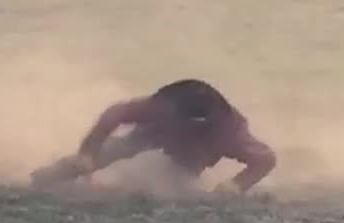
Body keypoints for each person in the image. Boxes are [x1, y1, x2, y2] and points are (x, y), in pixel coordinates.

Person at [29, 78, 277, 195]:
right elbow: (113, 115)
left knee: (176, 182)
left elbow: (265, 159)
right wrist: (88, 151)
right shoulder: (159, 108)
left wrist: (236, 185)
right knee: (115, 150)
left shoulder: (228, 132)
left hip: (195, 153)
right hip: (155, 133)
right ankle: (48, 176)